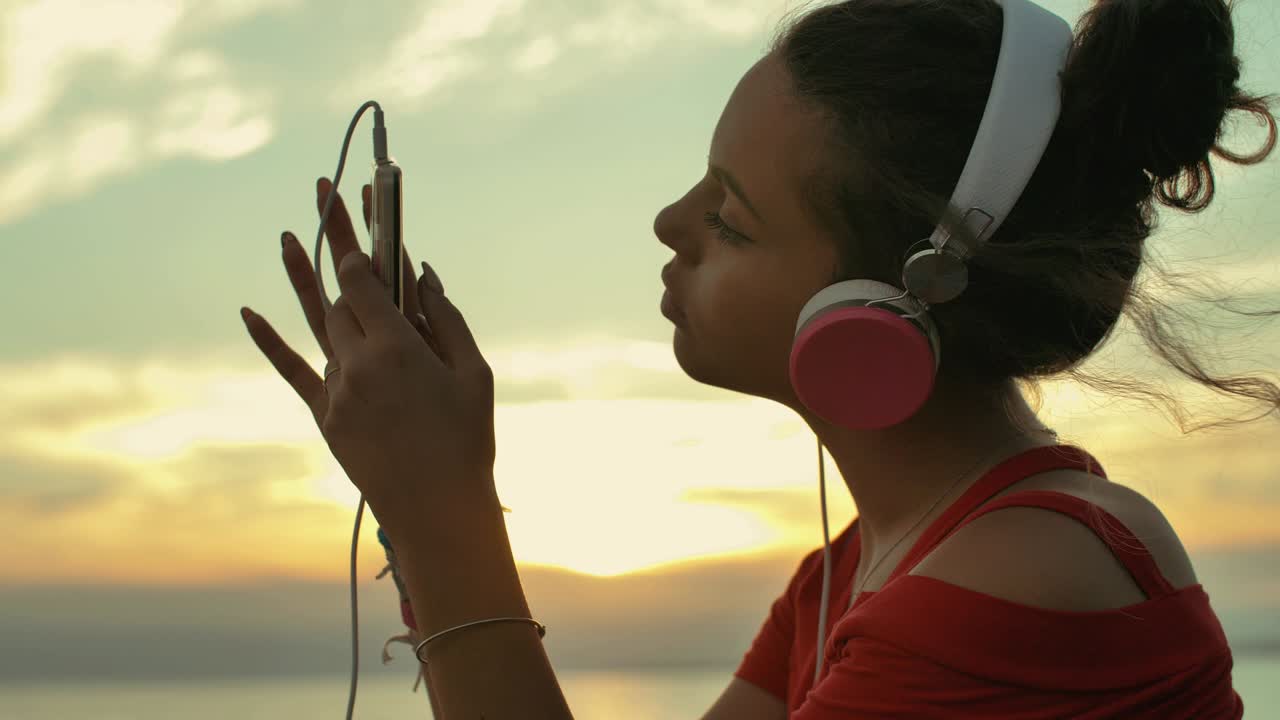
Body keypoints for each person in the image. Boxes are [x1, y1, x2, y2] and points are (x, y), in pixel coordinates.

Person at [243, 0, 1278, 717]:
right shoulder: (850, 579)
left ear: (887, 304)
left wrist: (438, 507)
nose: (667, 221)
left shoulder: (1023, 581)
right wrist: (422, 497)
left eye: (729, 219)